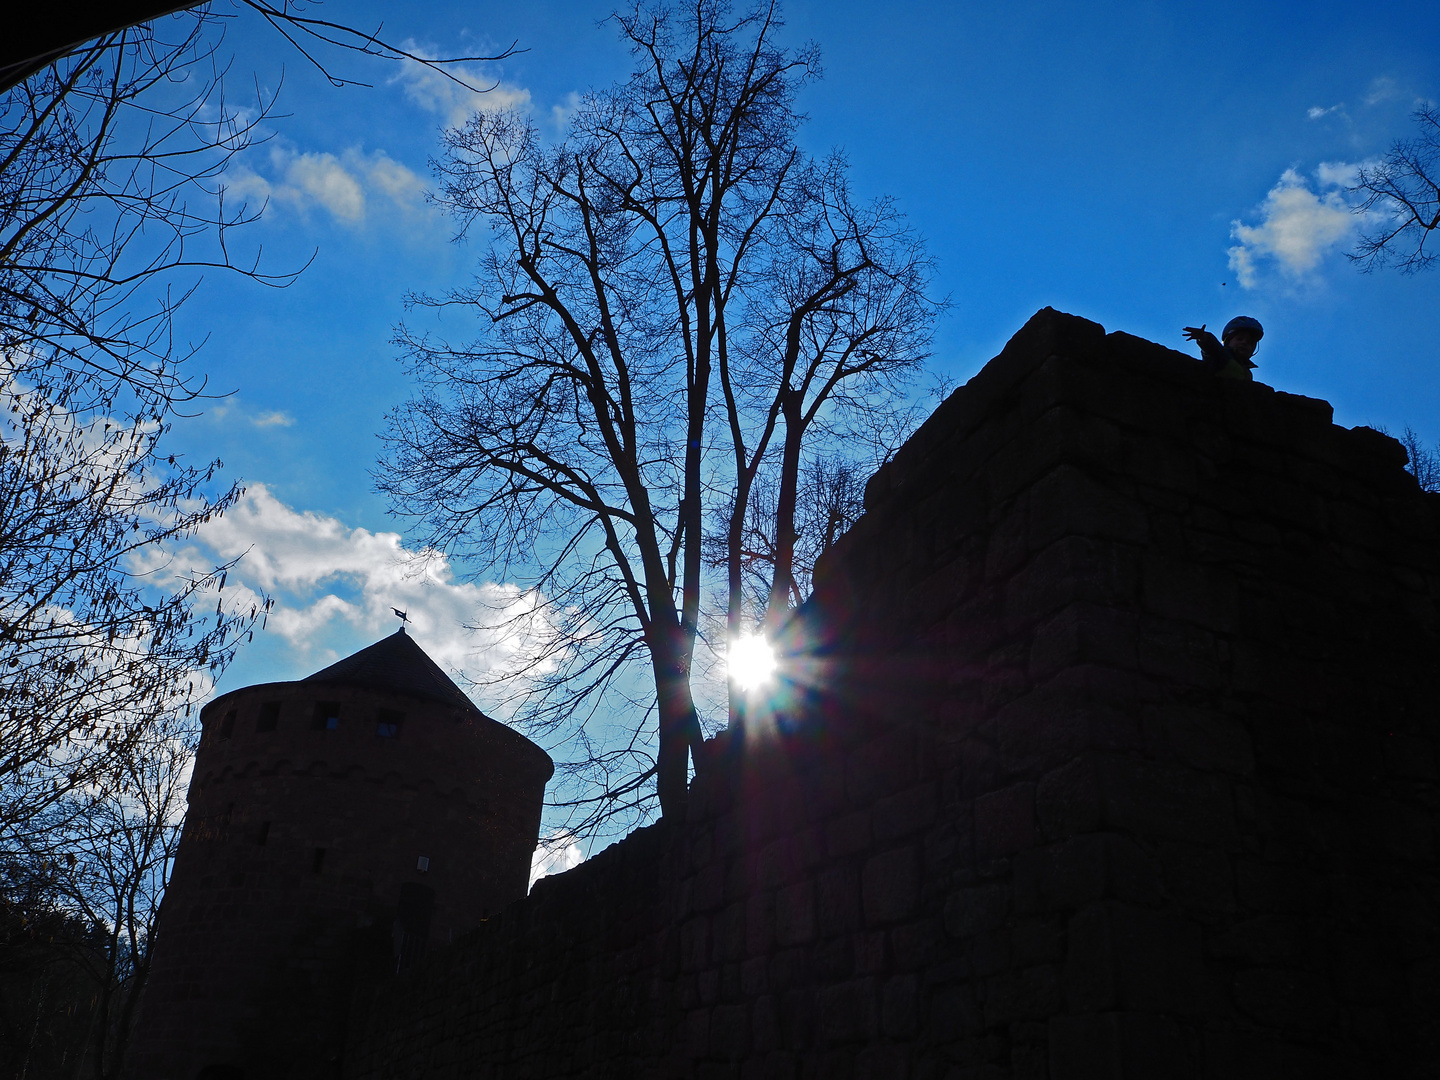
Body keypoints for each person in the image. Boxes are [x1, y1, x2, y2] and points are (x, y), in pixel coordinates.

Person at [1182, 316, 1263, 380]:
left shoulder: (1247, 373)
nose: (1244, 342)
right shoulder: (1221, 357)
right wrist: (1204, 337)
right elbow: (1213, 349)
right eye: (1239, 339)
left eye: (1250, 342)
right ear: (1228, 341)